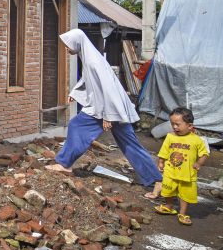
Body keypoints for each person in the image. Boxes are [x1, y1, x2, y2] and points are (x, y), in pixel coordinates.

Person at [45, 29, 163, 193]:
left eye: (68, 45)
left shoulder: (93, 62)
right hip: (112, 108)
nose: (66, 49)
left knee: (76, 126)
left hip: (107, 109)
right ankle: (155, 178)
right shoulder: (90, 57)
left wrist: (109, 116)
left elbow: (108, 90)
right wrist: (76, 93)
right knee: (130, 143)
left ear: (77, 43)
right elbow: (88, 80)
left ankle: (65, 164)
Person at [153, 107, 208, 225]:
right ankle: (169, 206)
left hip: (187, 174)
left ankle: (182, 213)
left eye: (177, 124)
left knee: (185, 194)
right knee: (167, 190)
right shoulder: (170, 136)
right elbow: (164, 150)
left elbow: (204, 154)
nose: (174, 127)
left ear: (189, 125)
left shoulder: (197, 140)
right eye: (172, 124)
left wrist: (199, 163)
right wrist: (161, 161)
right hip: (171, 171)